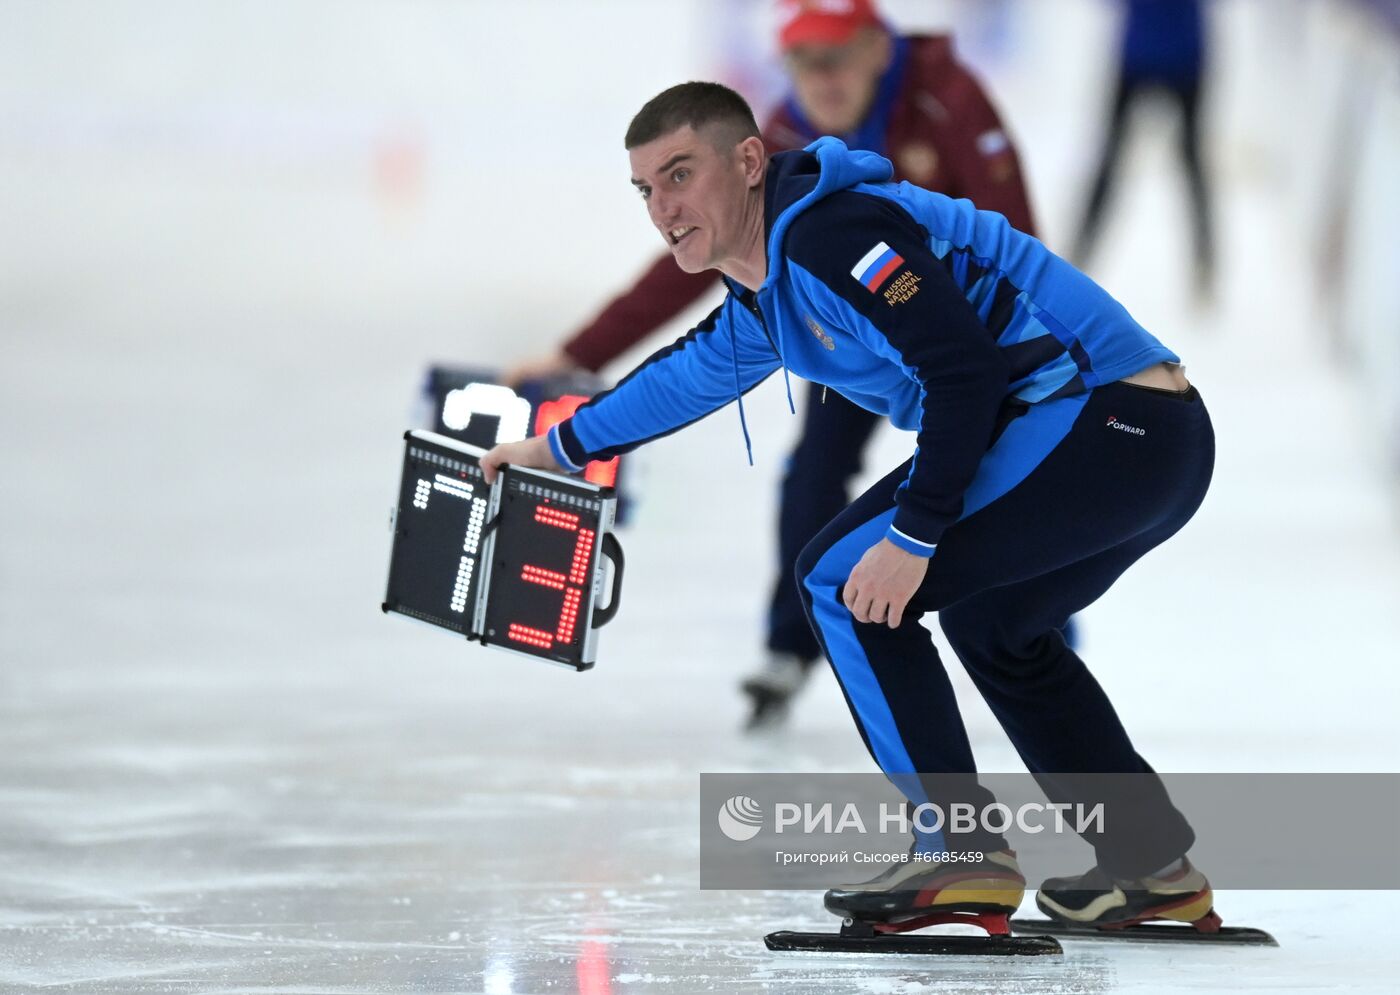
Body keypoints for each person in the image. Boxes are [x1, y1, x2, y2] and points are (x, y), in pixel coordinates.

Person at [481, 82, 1219, 931]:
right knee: (995, 629)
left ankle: (959, 852)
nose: (663, 207)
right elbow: (689, 375)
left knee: (840, 579)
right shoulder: (773, 283)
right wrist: (556, 451)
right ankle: (1150, 864)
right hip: (1147, 439)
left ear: (749, 161)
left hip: (1105, 422)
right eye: (646, 189)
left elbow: (964, 372)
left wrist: (913, 533)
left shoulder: (835, 233)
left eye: (680, 175)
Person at [505, 0, 1047, 728]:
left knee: (1006, 478)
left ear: (878, 51)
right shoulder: (780, 127)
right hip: (854, 327)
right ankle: (789, 649)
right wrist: (579, 354)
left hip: (957, 334)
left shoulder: (945, 97)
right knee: (814, 471)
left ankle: (1044, 628)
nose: (818, 79)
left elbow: (1018, 237)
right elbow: (694, 254)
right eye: (800, 61)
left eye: (835, 57)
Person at [1073, 0, 1215, 300]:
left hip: (1168, 55)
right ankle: (1080, 252)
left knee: (1188, 163)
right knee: (1116, 162)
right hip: (1157, 54)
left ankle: (1204, 264)